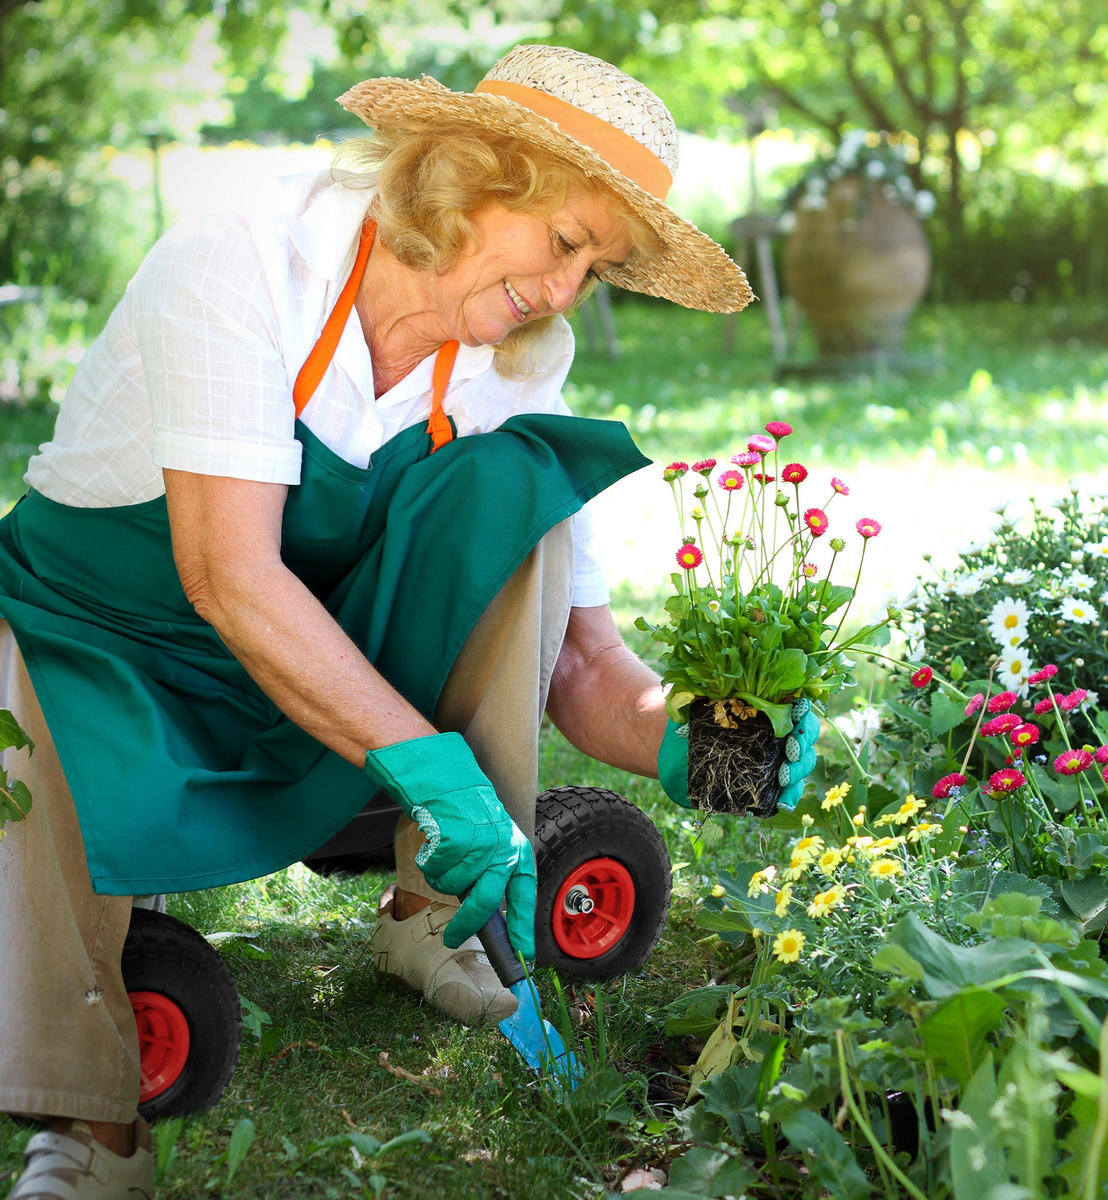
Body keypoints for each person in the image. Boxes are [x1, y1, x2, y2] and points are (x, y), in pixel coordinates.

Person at [0, 43, 749, 1200]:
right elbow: (230, 578)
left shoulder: (512, 361)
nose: (563, 293)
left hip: (313, 659)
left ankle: (433, 913)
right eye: (562, 242)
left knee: (522, 493)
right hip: (104, 640)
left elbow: (587, 657)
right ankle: (91, 1120)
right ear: (467, 172)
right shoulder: (243, 260)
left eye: (595, 268)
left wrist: (707, 741)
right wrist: (438, 769)